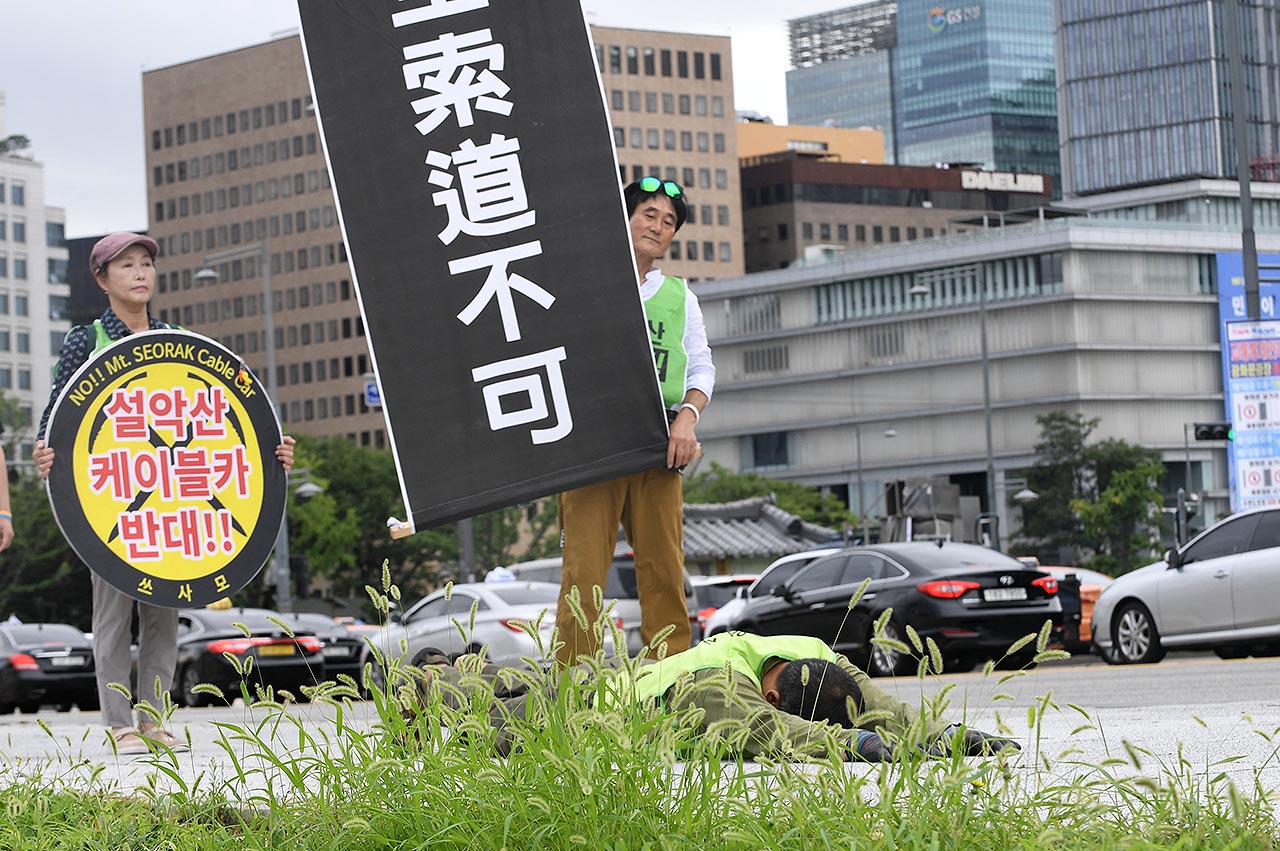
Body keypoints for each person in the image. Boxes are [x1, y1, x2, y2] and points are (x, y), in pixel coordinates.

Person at [32, 232, 296, 756]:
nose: (140, 273)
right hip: (114, 501)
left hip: (176, 501)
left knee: (164, 614)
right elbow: (57, 413)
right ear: (102, 279)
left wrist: (272, 451)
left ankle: (154, 720)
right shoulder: (86, 340)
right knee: (112, 616)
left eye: (146, 264)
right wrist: (45, 450)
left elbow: (218, 415)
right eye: (126, 265)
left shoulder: (177, 339)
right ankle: (119, 725)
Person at [415, 631, 1020, 763]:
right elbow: (770, 734)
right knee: (501, 721)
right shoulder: (723, 691)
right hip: (596, 706)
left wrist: (944, 735)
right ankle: (430, 679)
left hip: (631, 675)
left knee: (535, 675)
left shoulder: (809, 650)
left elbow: (874, 701)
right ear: (774, 695)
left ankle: (458, 668)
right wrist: (854, 744)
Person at [555, 177, 715, 665]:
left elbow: (701, 365)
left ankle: (667, 679)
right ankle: (572, 688)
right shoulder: (580, 282)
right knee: (582, 572)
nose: (658, 226)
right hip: (593, 447)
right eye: (648, 213)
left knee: (664, 568)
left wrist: (687, 419)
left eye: (669, 222)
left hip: (657, 442)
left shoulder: (679, 296)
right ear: (622, 219)